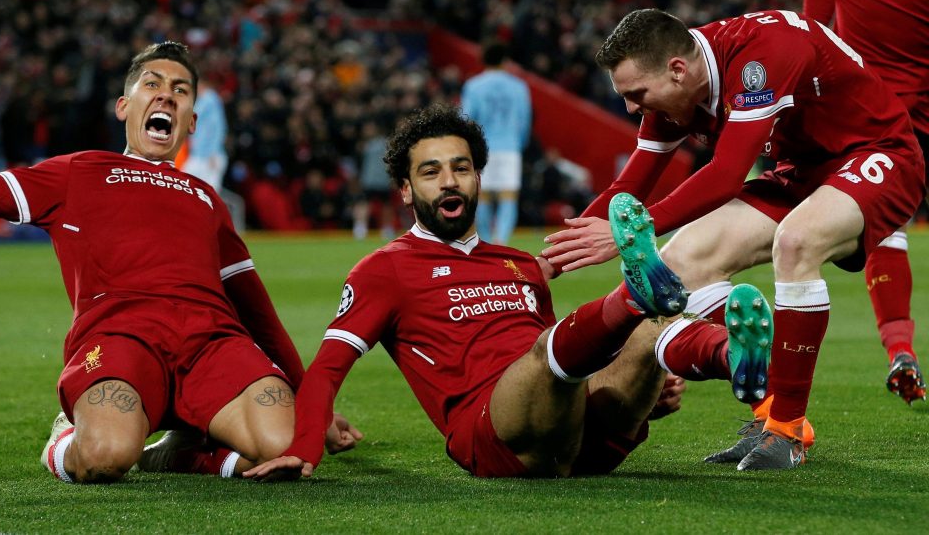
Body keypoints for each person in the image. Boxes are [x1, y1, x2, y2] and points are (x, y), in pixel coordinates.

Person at [241, 104, 764, 482]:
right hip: (493, 438)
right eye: (431, 172)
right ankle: (634, 294)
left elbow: (566, 376)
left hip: (578, 441)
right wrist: (305, 447)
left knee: (644, 333)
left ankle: (730, 356)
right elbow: (329, 366)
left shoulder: (518, 264)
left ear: (477, 179)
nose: (450, 181)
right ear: (405, 190)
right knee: (558, 347)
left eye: (461, 168)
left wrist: (647, 401)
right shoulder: (385, 270)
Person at [541, 9, 926, 470]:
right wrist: (549, 263)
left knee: (796, 242)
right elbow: (628, 187)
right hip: (802, 173)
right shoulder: (674, 87)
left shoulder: (759, 55)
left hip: (879, 154)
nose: (630, 108)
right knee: (683, 259)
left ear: (677, 71)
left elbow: (725, 175)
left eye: (635, 95)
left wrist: (632, 233)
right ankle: (770, 413)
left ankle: (786, 429)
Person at [0, 41, 358, 484]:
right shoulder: (79, 171)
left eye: (180, 89)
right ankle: (66, 435)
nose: (166, 95)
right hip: (121, 338)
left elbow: (257, 312)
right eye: (151, 84)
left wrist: (315, 407)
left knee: (292, 446)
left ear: (191, 120)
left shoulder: (208, 200)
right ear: (123, 106)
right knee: (104, 456)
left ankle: (180, 454)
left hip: (212, 342)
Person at [803, 0, 928, 405]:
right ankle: (900, 350)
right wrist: (808, 44)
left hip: (922, 87)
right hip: (868, 97)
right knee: (882, 221)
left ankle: (900, 348)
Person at [461, 41, 532, 245]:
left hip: (482, 148)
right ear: (505, 60)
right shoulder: (519, 86)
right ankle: (501, 240)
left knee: (482, 196)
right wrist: (520, 144)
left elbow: (466, 119)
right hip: (510, 148)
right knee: (508, 196)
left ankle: (485, 241)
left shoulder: (473, 85)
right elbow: (524, 120)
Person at [179, 71, 229, 192]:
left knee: (210, 192)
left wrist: (213, 152)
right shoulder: (205, 100)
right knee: (187, 184)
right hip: (200, 154)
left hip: (209, 155)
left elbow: (219, 128)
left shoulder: (210, 98)